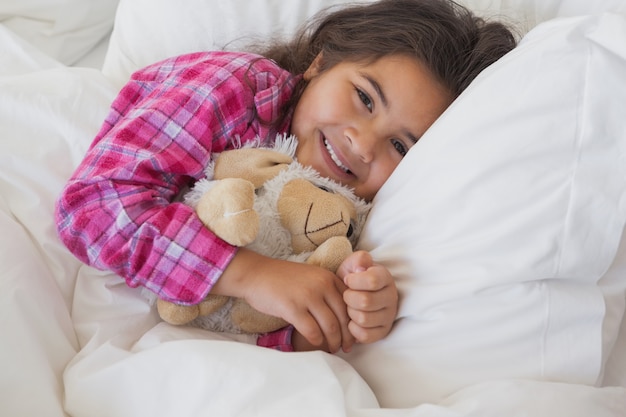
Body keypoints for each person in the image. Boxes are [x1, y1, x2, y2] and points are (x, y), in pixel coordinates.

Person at [55, 0, 516, 353]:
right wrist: (251, 274)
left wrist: (350, 315)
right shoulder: (231, 89)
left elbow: (252, 325)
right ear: (319, 63)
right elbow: (92, 208)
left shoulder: (346, 208)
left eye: (400, 146)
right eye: (364, 98)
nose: (362, 142)